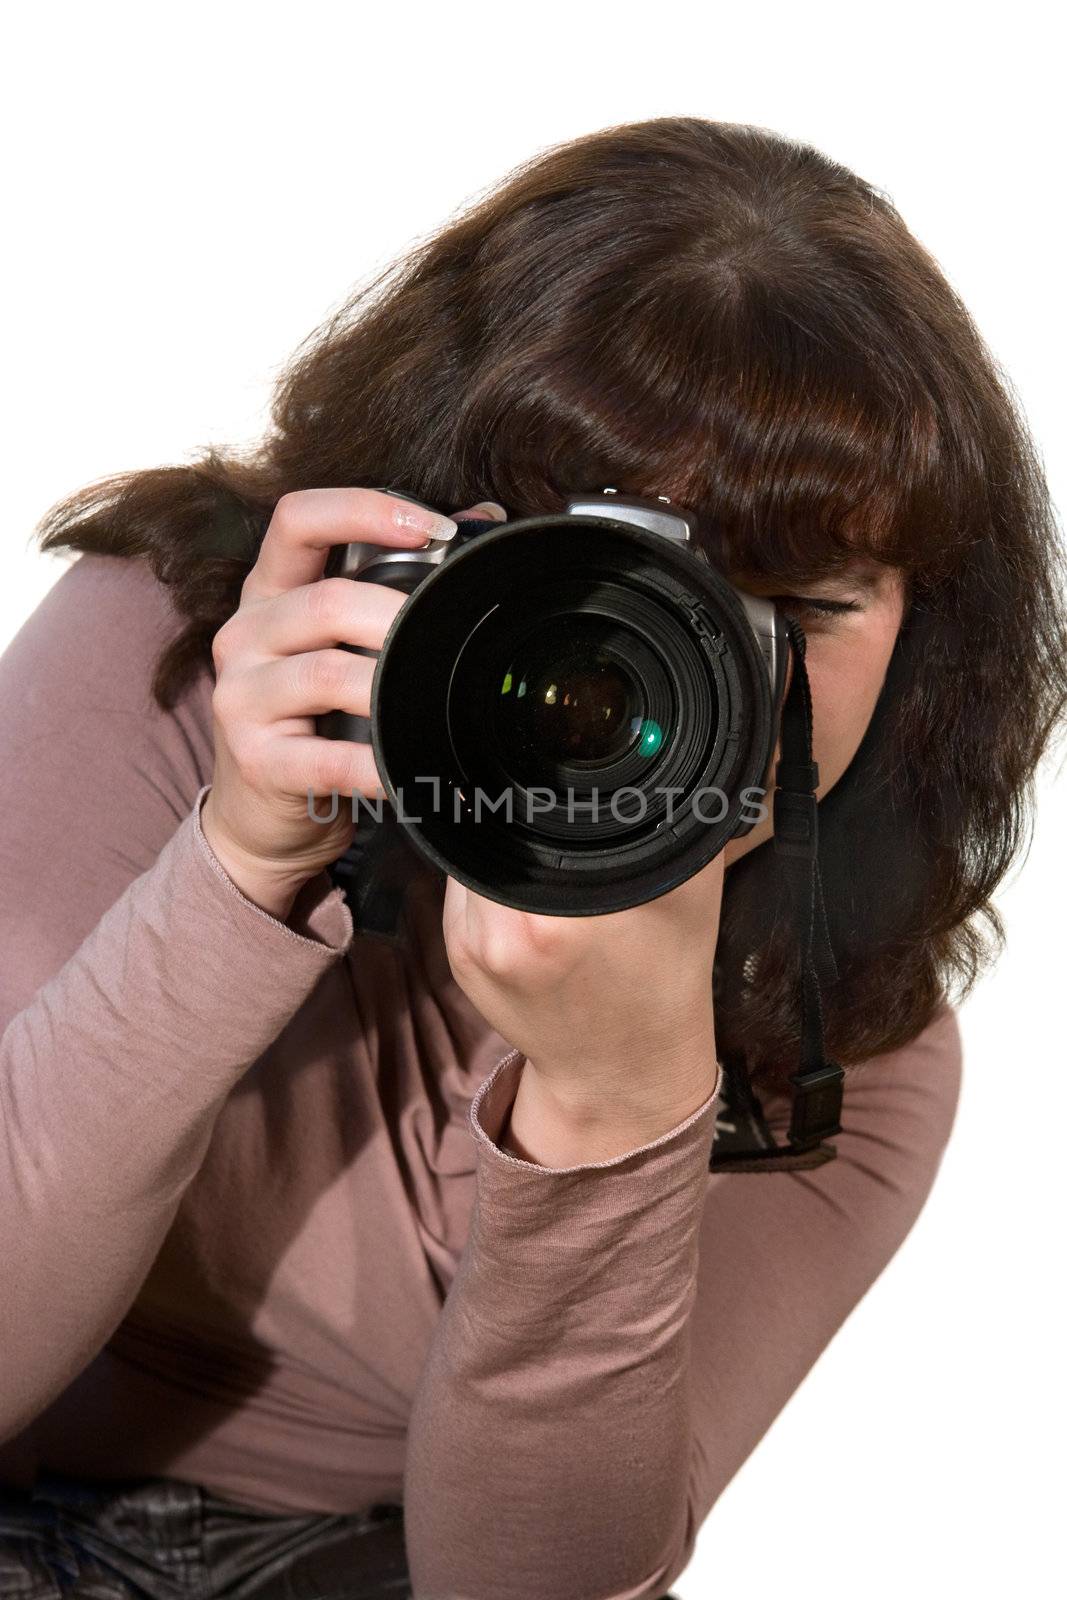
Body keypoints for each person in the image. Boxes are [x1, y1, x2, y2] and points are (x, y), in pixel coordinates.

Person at [0, 115, 1063, 1600]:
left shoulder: (853, 1035)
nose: (675, 685)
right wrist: (239, 865)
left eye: (800, 613)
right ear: (425, 524)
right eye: (602, 586)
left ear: (929, 644)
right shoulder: (183, 655)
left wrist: (618, 1104)